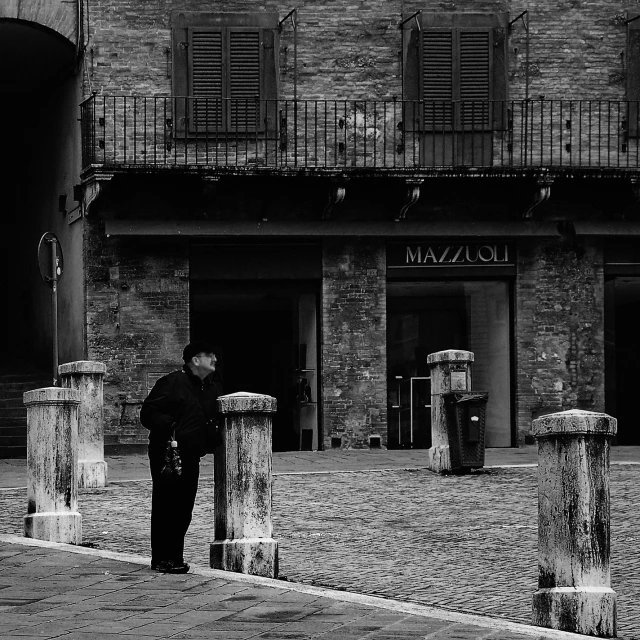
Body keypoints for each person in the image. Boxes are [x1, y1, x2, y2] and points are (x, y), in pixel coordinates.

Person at [140, 341, 223, 574]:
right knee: (166, 504)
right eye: (210, 354)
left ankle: (175, 556)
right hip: (167, 452)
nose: (214, 359)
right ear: (195, 360)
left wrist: (212, 438)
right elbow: (148, 413)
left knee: (184, 508)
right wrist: (173, 427)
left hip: (191, 455)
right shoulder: (172, 382)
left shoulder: (212, 388)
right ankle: (161, 559)